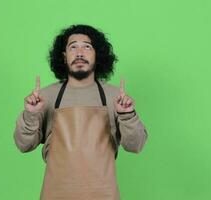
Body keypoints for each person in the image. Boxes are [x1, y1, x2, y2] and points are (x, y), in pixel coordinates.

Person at [13, 24, 148, 200]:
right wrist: (30, 114)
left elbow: (135, 145)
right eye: (73, 47)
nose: (79, 53)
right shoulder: (45, 97)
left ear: (96, 55)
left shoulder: (116, 97)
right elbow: (24, 145)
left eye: (87, 46)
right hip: (56, 194)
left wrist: (127, 115)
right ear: (63, 56)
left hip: (103, 194)